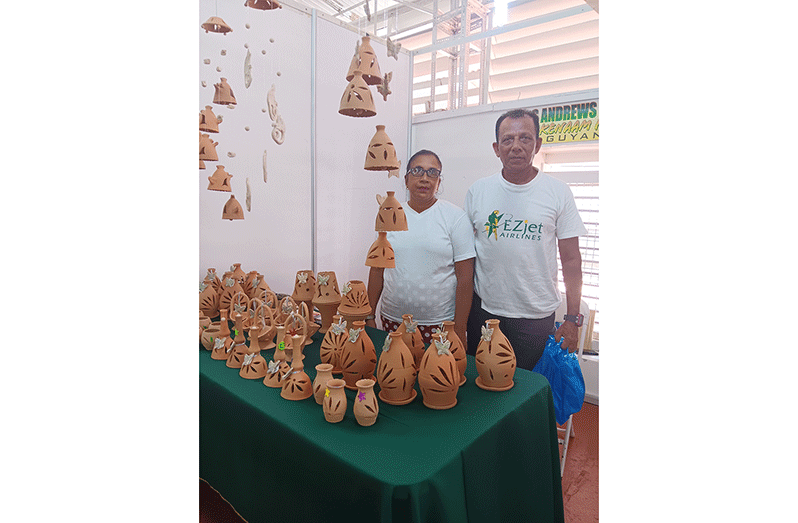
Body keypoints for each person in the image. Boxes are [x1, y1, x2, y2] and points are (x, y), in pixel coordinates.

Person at [464, 109, 588, 370]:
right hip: (484, 312)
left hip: (534, 318)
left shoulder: (557, 192)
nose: (516, 146)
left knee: (524, 392)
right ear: (497, 148)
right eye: (508, 140)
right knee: (480, 382)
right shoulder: (478, 191)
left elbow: (572, 260)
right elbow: (466, 256)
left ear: (538, 144)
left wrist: (572, 319)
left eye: (525, 138)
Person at [366, 150, 475, 345]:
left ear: (438, 182)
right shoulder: (389, 215)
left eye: (432, 172)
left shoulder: (455, 218)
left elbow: (465, 277)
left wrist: (459, 328)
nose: (425, 178)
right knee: (394, 372)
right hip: (393, 320)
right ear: (406, 180)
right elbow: (377, 269)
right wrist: (369, 314)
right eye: (417, 171)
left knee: (436, 374)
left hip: (440, 324)